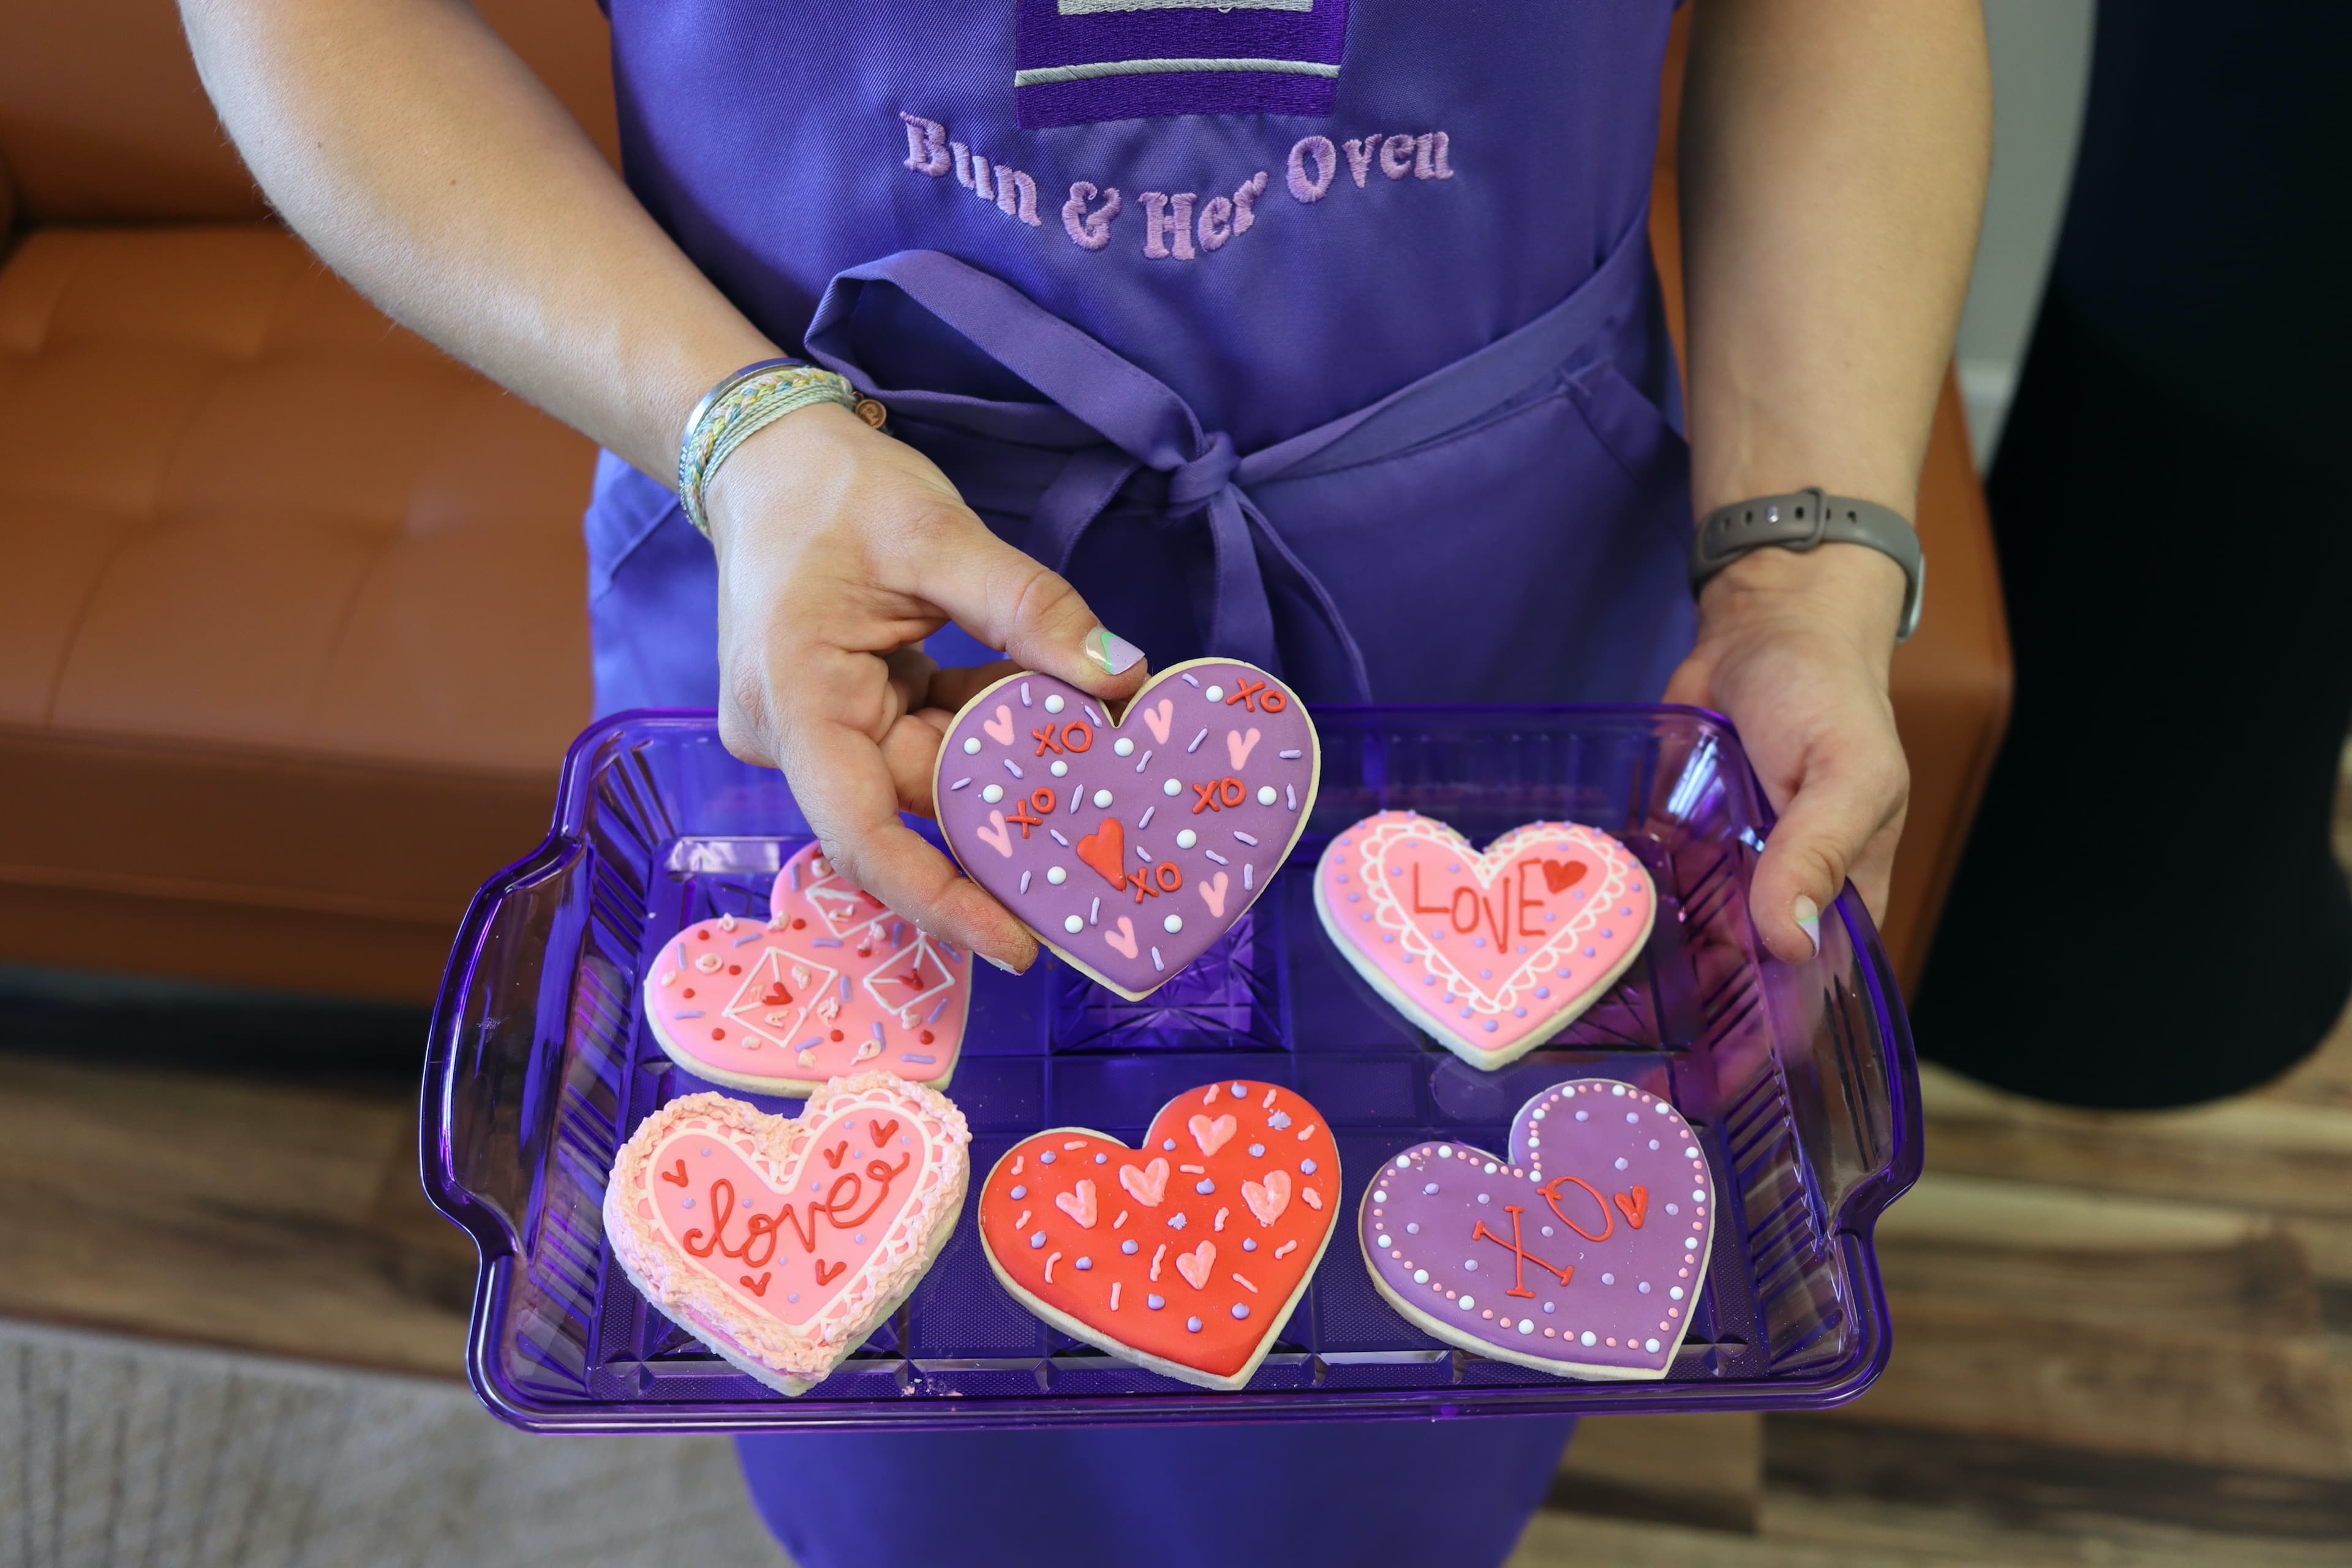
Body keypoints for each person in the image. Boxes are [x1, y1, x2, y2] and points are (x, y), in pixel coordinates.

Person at [184, 1, 1986, 1562]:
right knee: (878, 1376)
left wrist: (1799, 572)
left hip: (1495, 638)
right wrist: (738, 433)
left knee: (1426, 1350)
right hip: (836, 630)